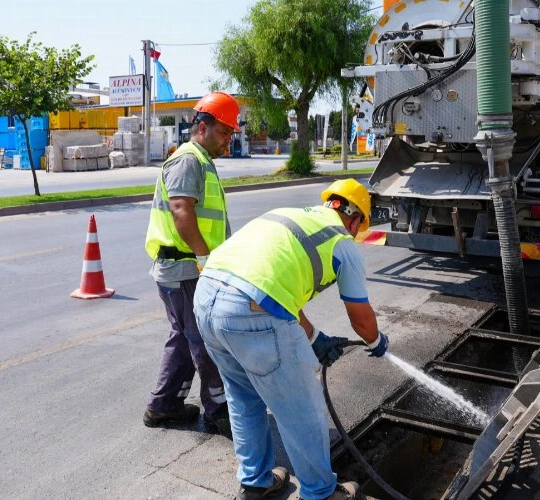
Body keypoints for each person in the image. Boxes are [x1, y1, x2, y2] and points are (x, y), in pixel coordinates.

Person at [193, 179, 389, 500]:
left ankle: (255, 483)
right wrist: (376, 341)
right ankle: (321, 493)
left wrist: (314, 338)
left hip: (207, 297)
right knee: (303, 409)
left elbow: (278, 290)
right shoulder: (342, 242)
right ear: (355, 220)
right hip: (250, 310)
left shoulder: (289, 216)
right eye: (359, 228)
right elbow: (361, 319)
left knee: (244, 397)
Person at [142, 91, 241, 432]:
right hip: (186, 267)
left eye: (231, 133)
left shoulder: (200, 160)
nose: (229, 140)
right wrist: (205, 258)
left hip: (185, 267)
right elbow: (181, 211)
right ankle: (218, 411)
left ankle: (164, 405)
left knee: (184, 337)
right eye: (225, 132)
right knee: (204, 340)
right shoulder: (188, 161)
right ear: (203, 126)